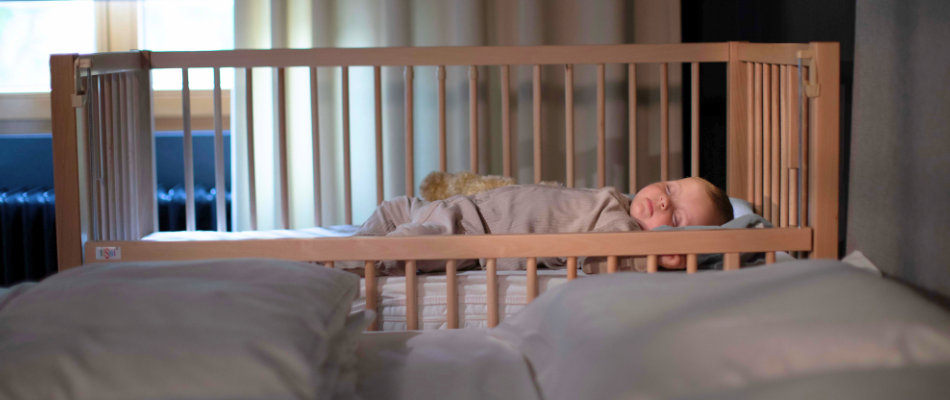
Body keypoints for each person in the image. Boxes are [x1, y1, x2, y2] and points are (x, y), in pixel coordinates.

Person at [348, 177, 734, 275]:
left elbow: (603, 260)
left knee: (404, 248)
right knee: (393, 209)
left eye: (677, 218)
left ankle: (340, 268)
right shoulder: (619, 200)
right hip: (458, 208)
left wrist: (654, 257)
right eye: (670, 188)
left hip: (466, 235)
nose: (665, 200)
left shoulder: (621, 230)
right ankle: (342, 255)